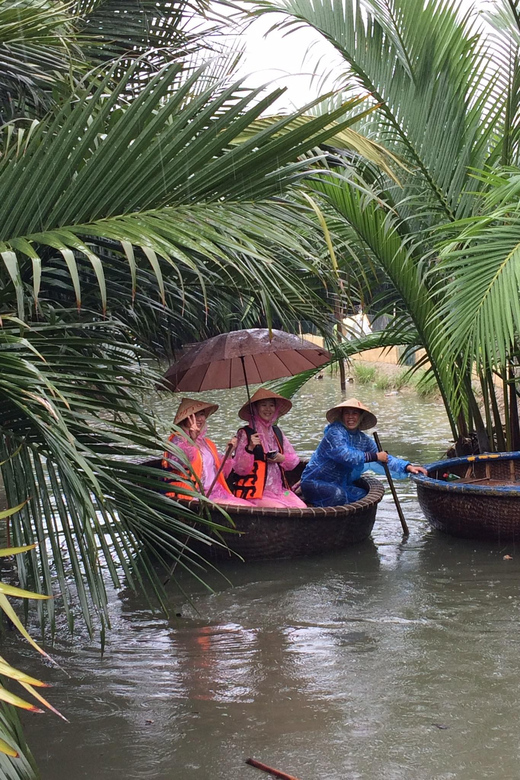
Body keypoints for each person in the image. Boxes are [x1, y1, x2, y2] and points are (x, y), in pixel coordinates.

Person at [300, 398, 427, 507]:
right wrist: (375, 456)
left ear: (360, 417)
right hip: (314, 481)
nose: (351, 417)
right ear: (341, 415)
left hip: (339, 483)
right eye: (347, 413)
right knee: (338, 495)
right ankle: (311, 503)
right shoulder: (335, 432)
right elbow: (345, 455)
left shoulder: (363, 439)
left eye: (355, 413)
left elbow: (383, 458)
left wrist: (407, 466)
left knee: (362, 495)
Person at [162, 397, 251, 506]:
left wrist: (229, 452)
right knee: (244, 506)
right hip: (192, 495)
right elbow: (178, 463)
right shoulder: (176, 440)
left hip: (215, 493)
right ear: (185, 418)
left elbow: (222, 473)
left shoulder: (207, 443)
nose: (199, 419)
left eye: (202, 414)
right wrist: (191, 440)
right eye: (195, 415)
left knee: (248, 505)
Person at [231, 388, 307, 508]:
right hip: (255, 493)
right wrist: (250, 448)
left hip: (280, 490)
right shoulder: (245, 433)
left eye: (271, 405)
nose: (268, 409)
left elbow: (293, 461)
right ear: (255, 408)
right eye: (263, 405)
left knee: (302, 507)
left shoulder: (277, 432)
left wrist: (281, 458)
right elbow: (240, 469)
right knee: (281, 509)